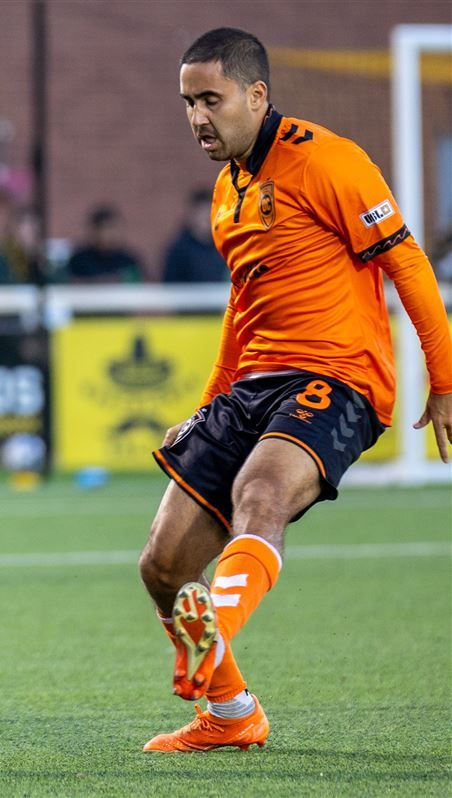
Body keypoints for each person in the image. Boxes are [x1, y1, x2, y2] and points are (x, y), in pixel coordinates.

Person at [139, 28, 452, 753]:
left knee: (261, 494)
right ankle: (231, 713)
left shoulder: (330, 161)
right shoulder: (227, 193)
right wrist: (208, 401)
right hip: (254, 384)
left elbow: (409, 267)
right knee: (163, 564)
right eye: (187, 103)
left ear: (257, 95)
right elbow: (242, 306)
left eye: (211, 100)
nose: (197, 118)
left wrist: (444, 381)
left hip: (338, 378)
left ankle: (211, 626)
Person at [60, 204, 142, 283]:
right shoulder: (79, 260)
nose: (108, 234)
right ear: (94, 231)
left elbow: (140, 284)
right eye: (103, 228)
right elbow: (70, 283)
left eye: (112, 228)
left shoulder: (129, 260)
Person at [161, 188, 228, 283]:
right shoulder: (179, 250)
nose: (207, 218)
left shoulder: (225, 247)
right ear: (192, 215)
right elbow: (171, 287)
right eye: (203, 213)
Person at [0, 208, 43, 285]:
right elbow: (3, 286)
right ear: (17, 229)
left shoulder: (34, 256)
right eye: (30, 230)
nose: (33, 236)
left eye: (35, 232)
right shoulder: (2, 257)